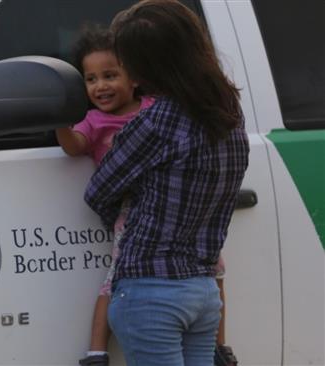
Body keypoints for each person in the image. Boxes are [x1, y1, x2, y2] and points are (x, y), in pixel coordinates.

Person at [84, 1, 249, 365]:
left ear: (145, 67)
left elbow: (99, 192)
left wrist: (133, 205)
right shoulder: (229, 117)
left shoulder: (155, 122)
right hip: (204, 292)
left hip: (150, 292)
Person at [56, 23, 154, 366]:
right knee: (114, 280)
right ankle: (97, 352)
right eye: (91, 78)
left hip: (168, 203)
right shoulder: (94, 122)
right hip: (130, 211)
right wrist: (59, 120)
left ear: (136, 77)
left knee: (212, 269)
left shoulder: (156, 110)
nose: (101, 86)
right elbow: (74, 147)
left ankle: (219, 347)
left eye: (110, 75)